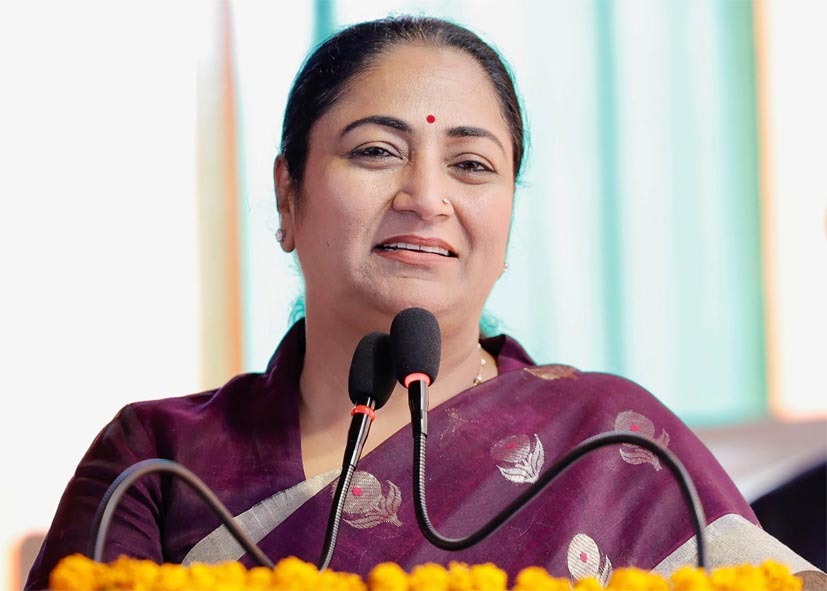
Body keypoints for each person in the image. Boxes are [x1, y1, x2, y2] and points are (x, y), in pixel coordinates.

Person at [25, 15, 821, 590]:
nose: (426, 197)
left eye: (471, 165)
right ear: (287, 194)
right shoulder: (159, 459)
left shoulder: (615, 442)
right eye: (376, 151)